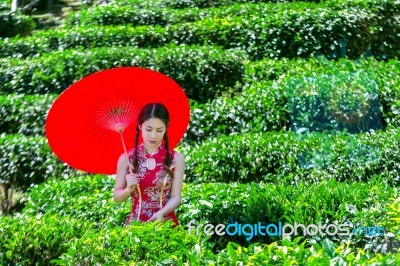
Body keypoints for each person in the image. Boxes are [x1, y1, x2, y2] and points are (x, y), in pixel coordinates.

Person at [113, 103, 185, 227]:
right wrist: (128, 190)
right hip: (135, 227)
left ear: (166, 128)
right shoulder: (126, 158)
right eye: (148, 129)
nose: (153, 135)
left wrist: (161, 213)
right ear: (140, 126)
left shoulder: (176, 158)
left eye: (159, 130)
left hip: (166, 224)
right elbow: (117, 197)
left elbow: (176, 197)